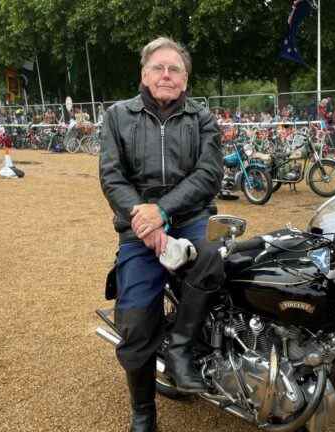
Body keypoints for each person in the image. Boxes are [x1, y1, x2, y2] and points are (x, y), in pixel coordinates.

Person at [99, 36, 223, 432]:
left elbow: (208, 175)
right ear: (144, 74)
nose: (167, 75)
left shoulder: (202, 118)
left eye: (175, 70)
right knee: (134, 323)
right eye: (159, 68)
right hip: (137, 223)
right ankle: (142, 411)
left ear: (185, 81)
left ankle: (182, 349)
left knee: (215, 260)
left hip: (189, 215)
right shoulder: (118, 115)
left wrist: (164, 211)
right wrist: (145, 219)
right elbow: (112, 176)